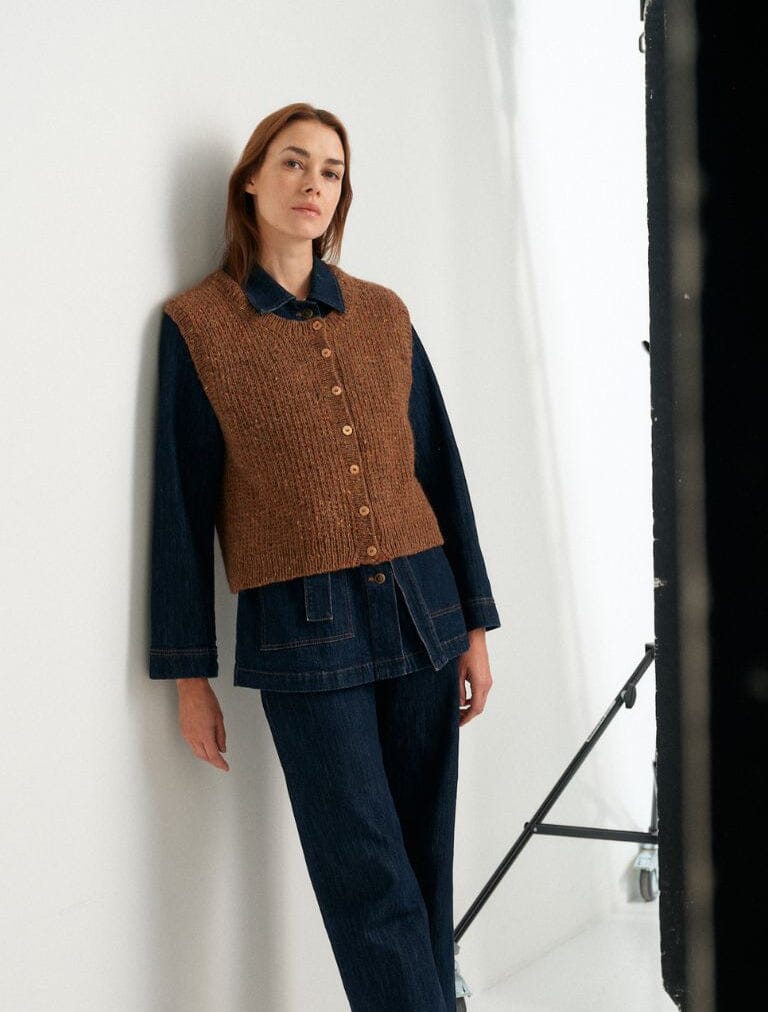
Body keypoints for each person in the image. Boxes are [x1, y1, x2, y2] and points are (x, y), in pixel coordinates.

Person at [148, 102, 500, 1012]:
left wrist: (473, 624)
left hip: (423, 610)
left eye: (332, 171)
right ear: (251, 183)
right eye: (294, 163)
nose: (313, 184)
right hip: (305, 632)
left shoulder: (383, 314)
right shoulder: (201, 327)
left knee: (424, 855)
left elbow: (441, 470)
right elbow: (181, 510)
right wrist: (189, 675)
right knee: (365, 870)